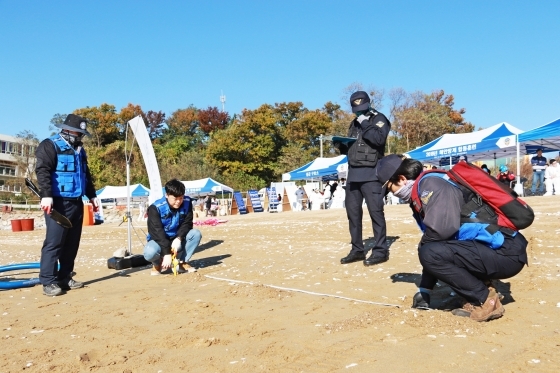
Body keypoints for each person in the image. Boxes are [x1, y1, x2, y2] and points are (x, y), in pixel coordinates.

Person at [376, 154, 528, 322]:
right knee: (433, 250)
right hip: (500, 249)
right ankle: (481, 287)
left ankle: (485, 300)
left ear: (402, 179)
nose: (393, 194)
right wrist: (425, 289)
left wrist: (425, 287)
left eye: (390, 188)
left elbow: (439, 234)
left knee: (430, 253)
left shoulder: (430, 185)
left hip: (506, 253)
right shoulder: (426, 184)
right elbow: (437, 238)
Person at [35, 114, 99, 296]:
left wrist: (92, 196)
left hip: (77, 202)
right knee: (54, 243)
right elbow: (42, 171)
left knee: (72, 243)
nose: (81, 136)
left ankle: (64, 277)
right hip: (57, 203)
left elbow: (85, 175)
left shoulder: (79, 150)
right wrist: (46, 196)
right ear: (68, 130)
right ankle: (48, 281)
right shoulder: (49, 145)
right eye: (79, 133)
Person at [334, 91, 391, 266]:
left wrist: (365, 122)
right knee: (353, 214)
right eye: (356, 109)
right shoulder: (354, 123)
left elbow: (378, 140)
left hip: (372, 174)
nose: (359, 111)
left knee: (376, 213)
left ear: (368, 103)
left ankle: (381, 250)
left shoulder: (379, 119)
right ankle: (357, 250)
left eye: (362, 107)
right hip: (353, 175)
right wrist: (341, 145)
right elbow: (353, 147)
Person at [144, 179, 202, 276]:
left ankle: (182, 262)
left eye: (181, 198)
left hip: (177, 238)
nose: (178, 201)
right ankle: (157, 264)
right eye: (175, 198)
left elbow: (187, 223)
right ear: (167, 195)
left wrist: (179, 238)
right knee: (150, 252)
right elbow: (157, 231)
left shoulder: (187, 203)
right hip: (160, 240)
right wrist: (166, 253)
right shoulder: (155, 208)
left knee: (195, 234)